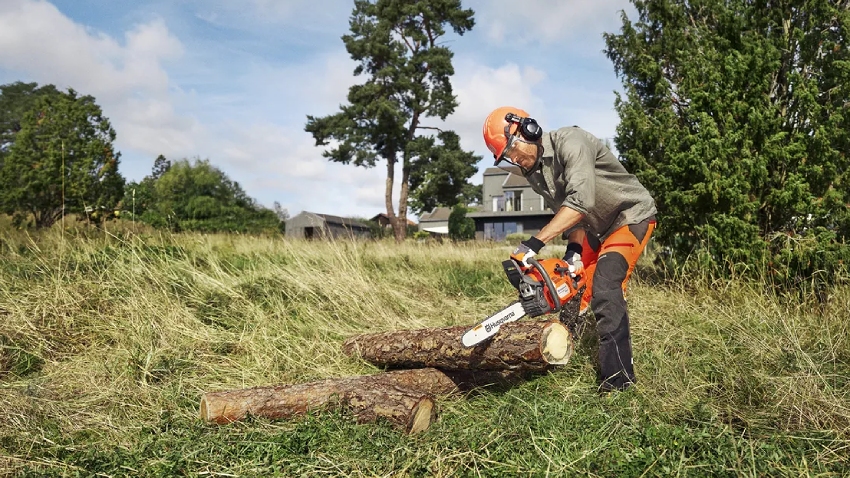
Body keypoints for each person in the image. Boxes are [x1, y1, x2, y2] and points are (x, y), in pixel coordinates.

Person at [482, 106, 657, 393]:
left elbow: (580, 202)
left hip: (629, 217)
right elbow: (568, 211)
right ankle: (563, 352)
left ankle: (619, 381)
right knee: (573, 286)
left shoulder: (571, 143)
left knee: (605, 286)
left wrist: (533, 244)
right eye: (508, 157)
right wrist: (573, 250)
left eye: (513, 150)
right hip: (593, 227)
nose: (515, 160)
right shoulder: (533, 172)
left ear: (529, 130)